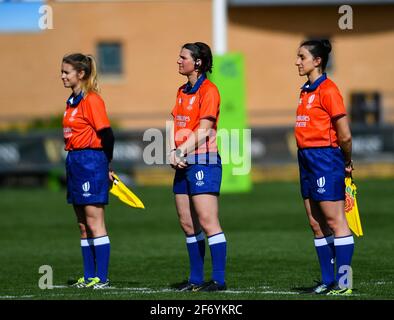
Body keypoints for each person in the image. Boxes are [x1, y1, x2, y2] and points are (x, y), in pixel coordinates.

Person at [294, 39, 354, 295]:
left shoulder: (329, 90)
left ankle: (344, 283)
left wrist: (347, 160)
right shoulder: (305, 89)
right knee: (316, 223)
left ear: (317, 61)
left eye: (302, 57)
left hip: (325, 159)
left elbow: (345, 136)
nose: (297, 61)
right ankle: (328, 280)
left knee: (336, 220)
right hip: (306, 158)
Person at [168, 42, 227, 292]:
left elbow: (203, 130)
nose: (178, 61)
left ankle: (219, 280)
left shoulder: (209, 90)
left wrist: (181, 150)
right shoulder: (182, 90)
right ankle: (195, 279)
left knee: (207, 219)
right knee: (187, 223)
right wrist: (174, 151)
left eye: (183, 57)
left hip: (204, 160)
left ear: (198, 63)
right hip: (184, 161)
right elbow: (177, 124)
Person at [61, 53, 115, 289]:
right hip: (75, 162)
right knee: (83, 225)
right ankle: (89, 275)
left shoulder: (92, 99)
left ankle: (101, 278)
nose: (62, 76)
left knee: (95, 223)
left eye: (66, 72)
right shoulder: (71, 101)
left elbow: (107, 135)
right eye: (62, 72)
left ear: (80, 74)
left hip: (91, 161)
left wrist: (107, 166)